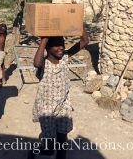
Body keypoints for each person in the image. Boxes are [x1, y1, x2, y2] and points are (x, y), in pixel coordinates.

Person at [29, 27, 89, 159]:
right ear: (47, 47)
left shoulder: (65, 58)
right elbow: (36, 63)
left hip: (63, 108)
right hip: (47, 111)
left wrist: (78, 20)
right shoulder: (43, 64)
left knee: (62, 143)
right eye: (56, 45)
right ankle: (34, 152)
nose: (61, 47)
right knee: (50, 149)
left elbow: (85, 41)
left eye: (62, 44)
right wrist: (44, 40)